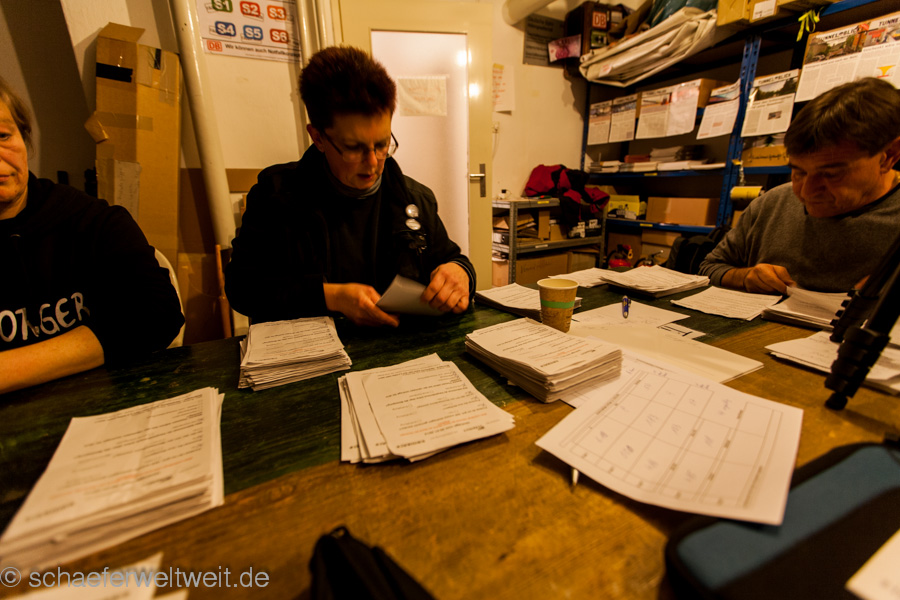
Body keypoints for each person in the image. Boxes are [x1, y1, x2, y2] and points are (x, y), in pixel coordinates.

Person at [225, 46, 475, 327]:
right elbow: (242, 288)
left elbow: (450, 258)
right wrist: (330, 297)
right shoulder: (276, 196)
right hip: (308, 349)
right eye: (354, 148)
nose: (373, 163)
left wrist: (460, 272)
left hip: (396, 346)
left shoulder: (414, 198)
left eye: (382, 144)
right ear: (318, 138)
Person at [0, 77, 184, 395]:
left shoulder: (90, 219)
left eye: (3, 135)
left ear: (24, 137)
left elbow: (157, 312)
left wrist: (11, 369)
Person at [699, 77, 900, 294]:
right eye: (799, 172)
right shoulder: (772, 204)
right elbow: (710, 267)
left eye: (830, 174)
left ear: (889, 155)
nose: (806, 192)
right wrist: (744, 276)